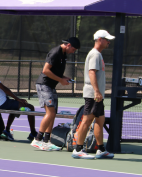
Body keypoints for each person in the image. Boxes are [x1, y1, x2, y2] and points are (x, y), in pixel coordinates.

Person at [72, 30, 115, 159]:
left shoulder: (99, 55)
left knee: (100, 120)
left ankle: (101, 149)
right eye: (107, 39)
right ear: (100, 39)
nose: (108, 42)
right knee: (87, 120)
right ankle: (78, 149)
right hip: (93, 94)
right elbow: (91, 73)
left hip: (98, 95)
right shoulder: (95, 54)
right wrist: (96, 91)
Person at [32, 37, 80, 151]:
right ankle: (37, 140)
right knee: (50, 112)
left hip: (51, 86)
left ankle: (46, 141)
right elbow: (46, 70)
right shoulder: (55, 52)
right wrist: (60, 80)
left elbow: (55, 71)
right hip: (44, 85)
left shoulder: (64, 55)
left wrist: (64, 78)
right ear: (68, 45)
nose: (73, 52)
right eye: (73, 49)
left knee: (53, 113)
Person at [0, 55, 36, 141]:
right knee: (30, 107)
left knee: (14, 108)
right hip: (0, 103)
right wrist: (17, 98)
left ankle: (7, 130)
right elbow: (4, 89)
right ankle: (33, 133)